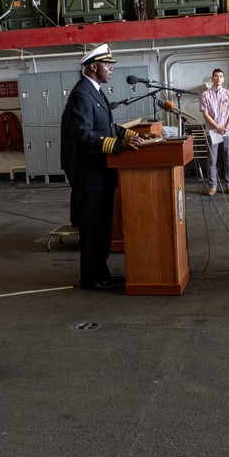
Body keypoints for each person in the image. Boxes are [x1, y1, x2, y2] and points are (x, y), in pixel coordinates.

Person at [61, 43, 144, 292]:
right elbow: (84, 135)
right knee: (93, 230)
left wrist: (133, 134)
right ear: (93, 66)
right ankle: (91, 277)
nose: (111, 69)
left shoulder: (94, 90)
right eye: (108, 65)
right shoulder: (82, 94)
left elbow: (107, 126)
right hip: (89, 176)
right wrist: (120, 145)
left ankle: (101, 272)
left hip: (101, 174)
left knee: (102, 228)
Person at [199, 68, 229, 196]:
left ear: (223, 78)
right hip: (212, 131)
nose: (218, 78)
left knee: (228, 159)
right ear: (212, 78)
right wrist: (217, 126)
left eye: (220, 76)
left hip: (227, 132)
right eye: (216, 76)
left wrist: (226, 126)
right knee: (212, 160)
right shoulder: (205, 95)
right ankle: (213, 186)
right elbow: (205, 114)